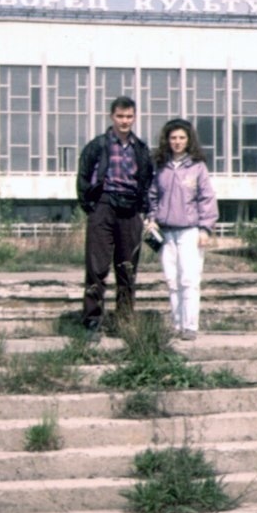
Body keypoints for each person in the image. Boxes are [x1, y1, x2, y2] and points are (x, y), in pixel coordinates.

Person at [77, 96, 154, 335]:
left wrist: (144, 209)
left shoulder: (140, 149)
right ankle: (92, 320)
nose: (124, 121)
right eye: (120, 116)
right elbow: (82, 178)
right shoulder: (98, 145)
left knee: (127, 267)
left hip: (130, 209)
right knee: (97, 266)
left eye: (129, 116)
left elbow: (147, 180)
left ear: (134, 117)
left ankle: (124, 321)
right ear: (112, 117)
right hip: (104, 205)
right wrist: (92, 208)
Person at [146, 118, 218, 341]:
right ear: (167, 140)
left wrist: (205, 229)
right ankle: (176, 325)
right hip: (166, 233)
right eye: (173, 138)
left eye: (182, 138)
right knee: (171, 280)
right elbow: (153, 196)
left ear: (189, 141)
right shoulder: (161, 167)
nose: (177, 142)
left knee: (189, 280)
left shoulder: (197, 167)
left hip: (190, 231)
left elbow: (207, 199)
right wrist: (151, 218)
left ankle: (190, 326)